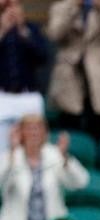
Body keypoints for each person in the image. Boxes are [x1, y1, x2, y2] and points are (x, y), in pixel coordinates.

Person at [0, 115, 88, 220]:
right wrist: (12, 155)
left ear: (45, 132)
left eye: (38, 128)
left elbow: (80, 182)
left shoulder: (54, 155)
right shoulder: (9, 156)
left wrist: (65, 157)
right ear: (20, 133)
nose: (34, 133)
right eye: (29, 128)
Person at [46, 0, 100, 143]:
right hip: (70, 74)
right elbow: (54, 34)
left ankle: (94, 160)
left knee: (97, 126)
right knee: (69, 125)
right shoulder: (61, 7)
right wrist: (72, 8)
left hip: (98, 76)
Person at [0, 0, 48, 146]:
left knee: (34, 144)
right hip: (3, 97)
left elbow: (43, 57)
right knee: (2, 148)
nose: (11, 11)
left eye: (15, 6)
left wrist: (22, 30)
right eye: (6, 8)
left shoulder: (31, 29)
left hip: (28, 95)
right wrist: (3, 29)